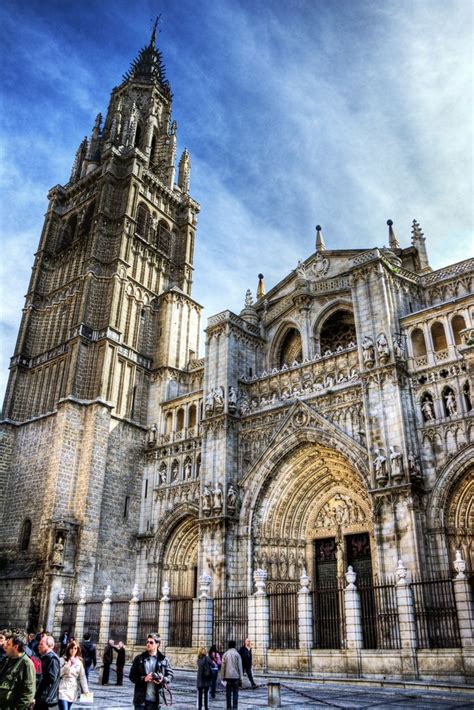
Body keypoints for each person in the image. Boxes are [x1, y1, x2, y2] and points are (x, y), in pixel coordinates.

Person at [129, 633, 173, 710]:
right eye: (147, 642)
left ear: (157, 644)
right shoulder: (139, 659)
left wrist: (162, 679)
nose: (148, 644)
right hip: (140, 701)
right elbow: (132, 676)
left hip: (156, 701)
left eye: (151, 642)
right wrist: (144, 679)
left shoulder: (163, 659)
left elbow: (170, 675)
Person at [0, 630, 36, 709]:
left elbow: (28, 694)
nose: (5, 647)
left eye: (9, 644)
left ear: (15, 647)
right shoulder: (7, 660)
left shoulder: (27, 664)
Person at [58, 640, 89, 710]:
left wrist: (85, 690)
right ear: (68, 649)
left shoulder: (79, 662)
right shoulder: (62, 660)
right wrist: (67, 665)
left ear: (77, 650)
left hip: (73, 690)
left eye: (75, 648)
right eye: (71, 648)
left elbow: (82, 677)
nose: (73, 650)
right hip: (62, 689)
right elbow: (58, 674)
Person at [35, 634, 60, 710]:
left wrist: (38, 678)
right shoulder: (44, 657)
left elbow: (52, 678)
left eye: (41, 644)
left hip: (47, 699)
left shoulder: (52, 659)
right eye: (39, 644)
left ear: (49, 646)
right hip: (41, 697)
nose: (38, 646)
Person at [222, 639, 243, 710]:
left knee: (228, 693)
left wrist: (223, 677)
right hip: (236, 677)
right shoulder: (237, 654)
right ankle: (234, 707)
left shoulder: (225, 654)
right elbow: (240, 667)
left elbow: (223, 667)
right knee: (235, 693)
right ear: (234, 646)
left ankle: (228, 707)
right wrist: (241, 679)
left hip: (227, 677)